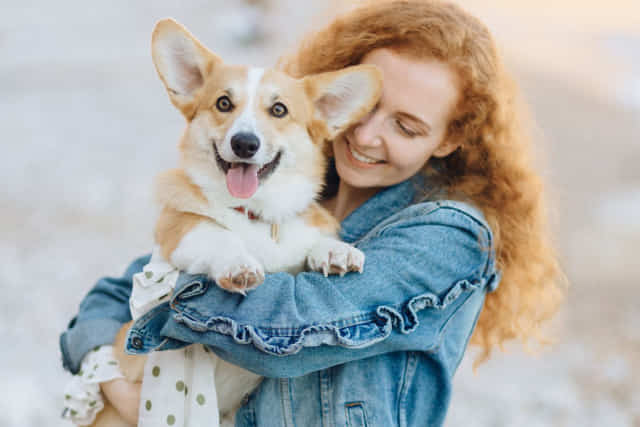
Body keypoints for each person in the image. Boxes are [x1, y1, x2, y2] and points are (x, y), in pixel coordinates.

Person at [59, 1, 565, 426]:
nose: (365, 137)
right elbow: (117, 293)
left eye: (406, 128)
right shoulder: (284, 186)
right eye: (366, 108)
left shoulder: (449, 236)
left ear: (449, 139)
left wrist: (168, 301)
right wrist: (105, 368)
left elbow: (286, 327)